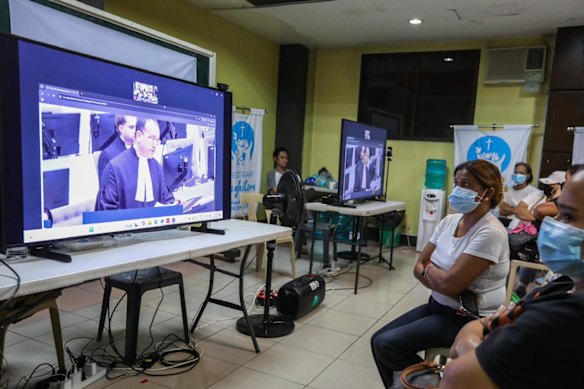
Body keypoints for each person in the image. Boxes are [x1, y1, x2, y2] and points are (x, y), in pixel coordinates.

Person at [371, 159, 509, 388]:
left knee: (387, 344)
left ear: (487, 192)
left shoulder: (490, 232)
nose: (457, 190)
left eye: (465, 184)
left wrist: (431, 271)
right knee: (378, 340)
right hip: (438, 306)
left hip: (467, 318)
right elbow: (419, 265)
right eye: (456, 183)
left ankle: (431, 384)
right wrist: (438, 276)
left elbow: (448, 284)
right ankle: (420, 384)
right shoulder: (449, 221)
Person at [440, 169, 584, 389]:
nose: (553, 222)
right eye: (457, 183)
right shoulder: (566, 284)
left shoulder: (564, 317)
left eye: (569, 215)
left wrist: (472, 339)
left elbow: (455, 377)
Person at [97, 117, 175, 210]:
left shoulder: (157, 167)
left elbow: (165, 199)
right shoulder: (115, 167)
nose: (155, 144)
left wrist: (174, 204)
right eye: (151, 138)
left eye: (157, 140)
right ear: (138, 136)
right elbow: (108, 210)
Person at [498, 162, 543, 229]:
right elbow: (502, 210)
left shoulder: (535, 192)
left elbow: (531, 216)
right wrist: (519, 211)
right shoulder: (508, 192)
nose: (518, 175)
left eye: (521, 173)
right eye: (516, 172)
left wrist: (510, 208)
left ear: (528, 176)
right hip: (507, 223)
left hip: (523, 226)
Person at [97, 114, 137, 183]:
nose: (136, 131)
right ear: (121, 128)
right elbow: (106, 190)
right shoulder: (107, 155)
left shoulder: (138, 151)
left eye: (137, 127)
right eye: (131, 127)